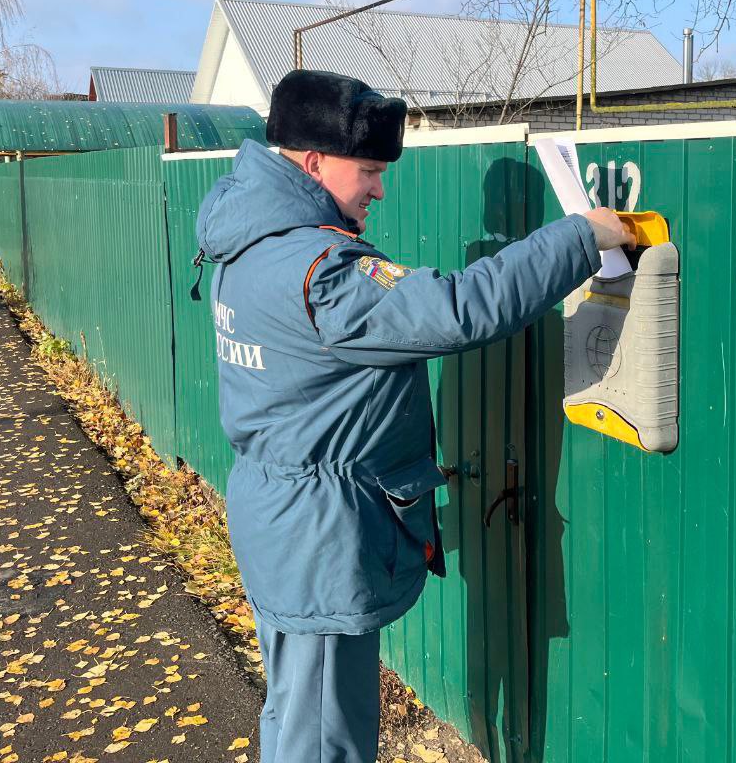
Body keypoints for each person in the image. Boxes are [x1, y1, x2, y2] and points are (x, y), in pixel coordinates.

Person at [195, 68, 634, 762]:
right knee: (321, 739)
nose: (379, 189)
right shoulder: (320, 272)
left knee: (296, 713)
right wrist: (582, 236)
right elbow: (457, 310)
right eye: (367, 170)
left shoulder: (244, 241)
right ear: (314, 162)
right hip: (320, 541)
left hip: (280, 521)